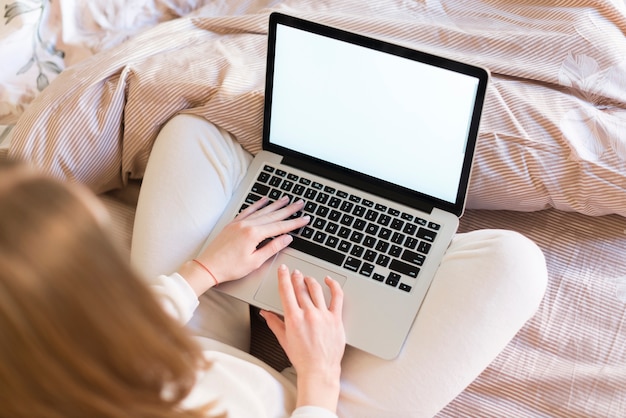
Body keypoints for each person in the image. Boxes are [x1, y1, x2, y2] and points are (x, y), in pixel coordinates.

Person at [0, 114, 548, 418]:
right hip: (301, 404)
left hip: (178, 353)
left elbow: (114, 336)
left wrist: (203, 272)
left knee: (192, 139)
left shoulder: (38, 360)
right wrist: (319, 376)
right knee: (515, 264)